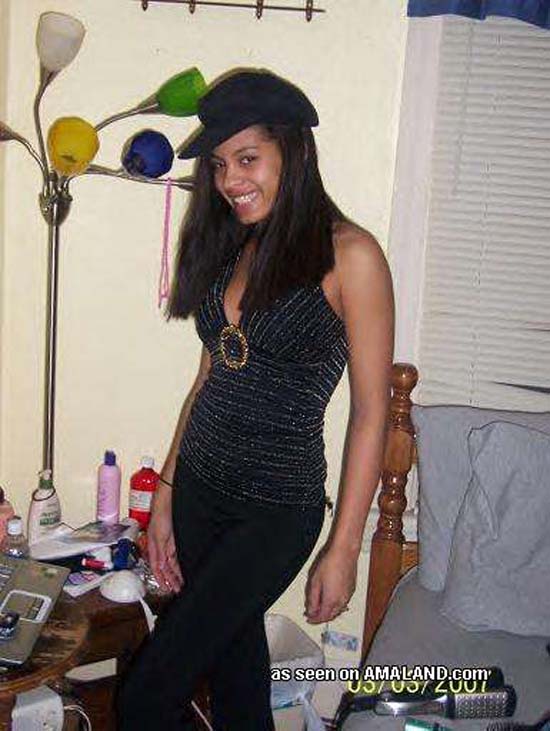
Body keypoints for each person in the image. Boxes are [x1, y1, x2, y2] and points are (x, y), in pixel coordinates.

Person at [118, 69, 394, 731]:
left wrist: (344, 547)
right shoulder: (235, 241)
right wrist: (166, 491)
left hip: (275, 512)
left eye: (247, 158)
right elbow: (208, 378)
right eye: (219, 165)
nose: (229, 180)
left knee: (144, 696)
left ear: (292, 151)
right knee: (239, 686)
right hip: (199, 491)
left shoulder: (350, 256)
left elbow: (371, 414)